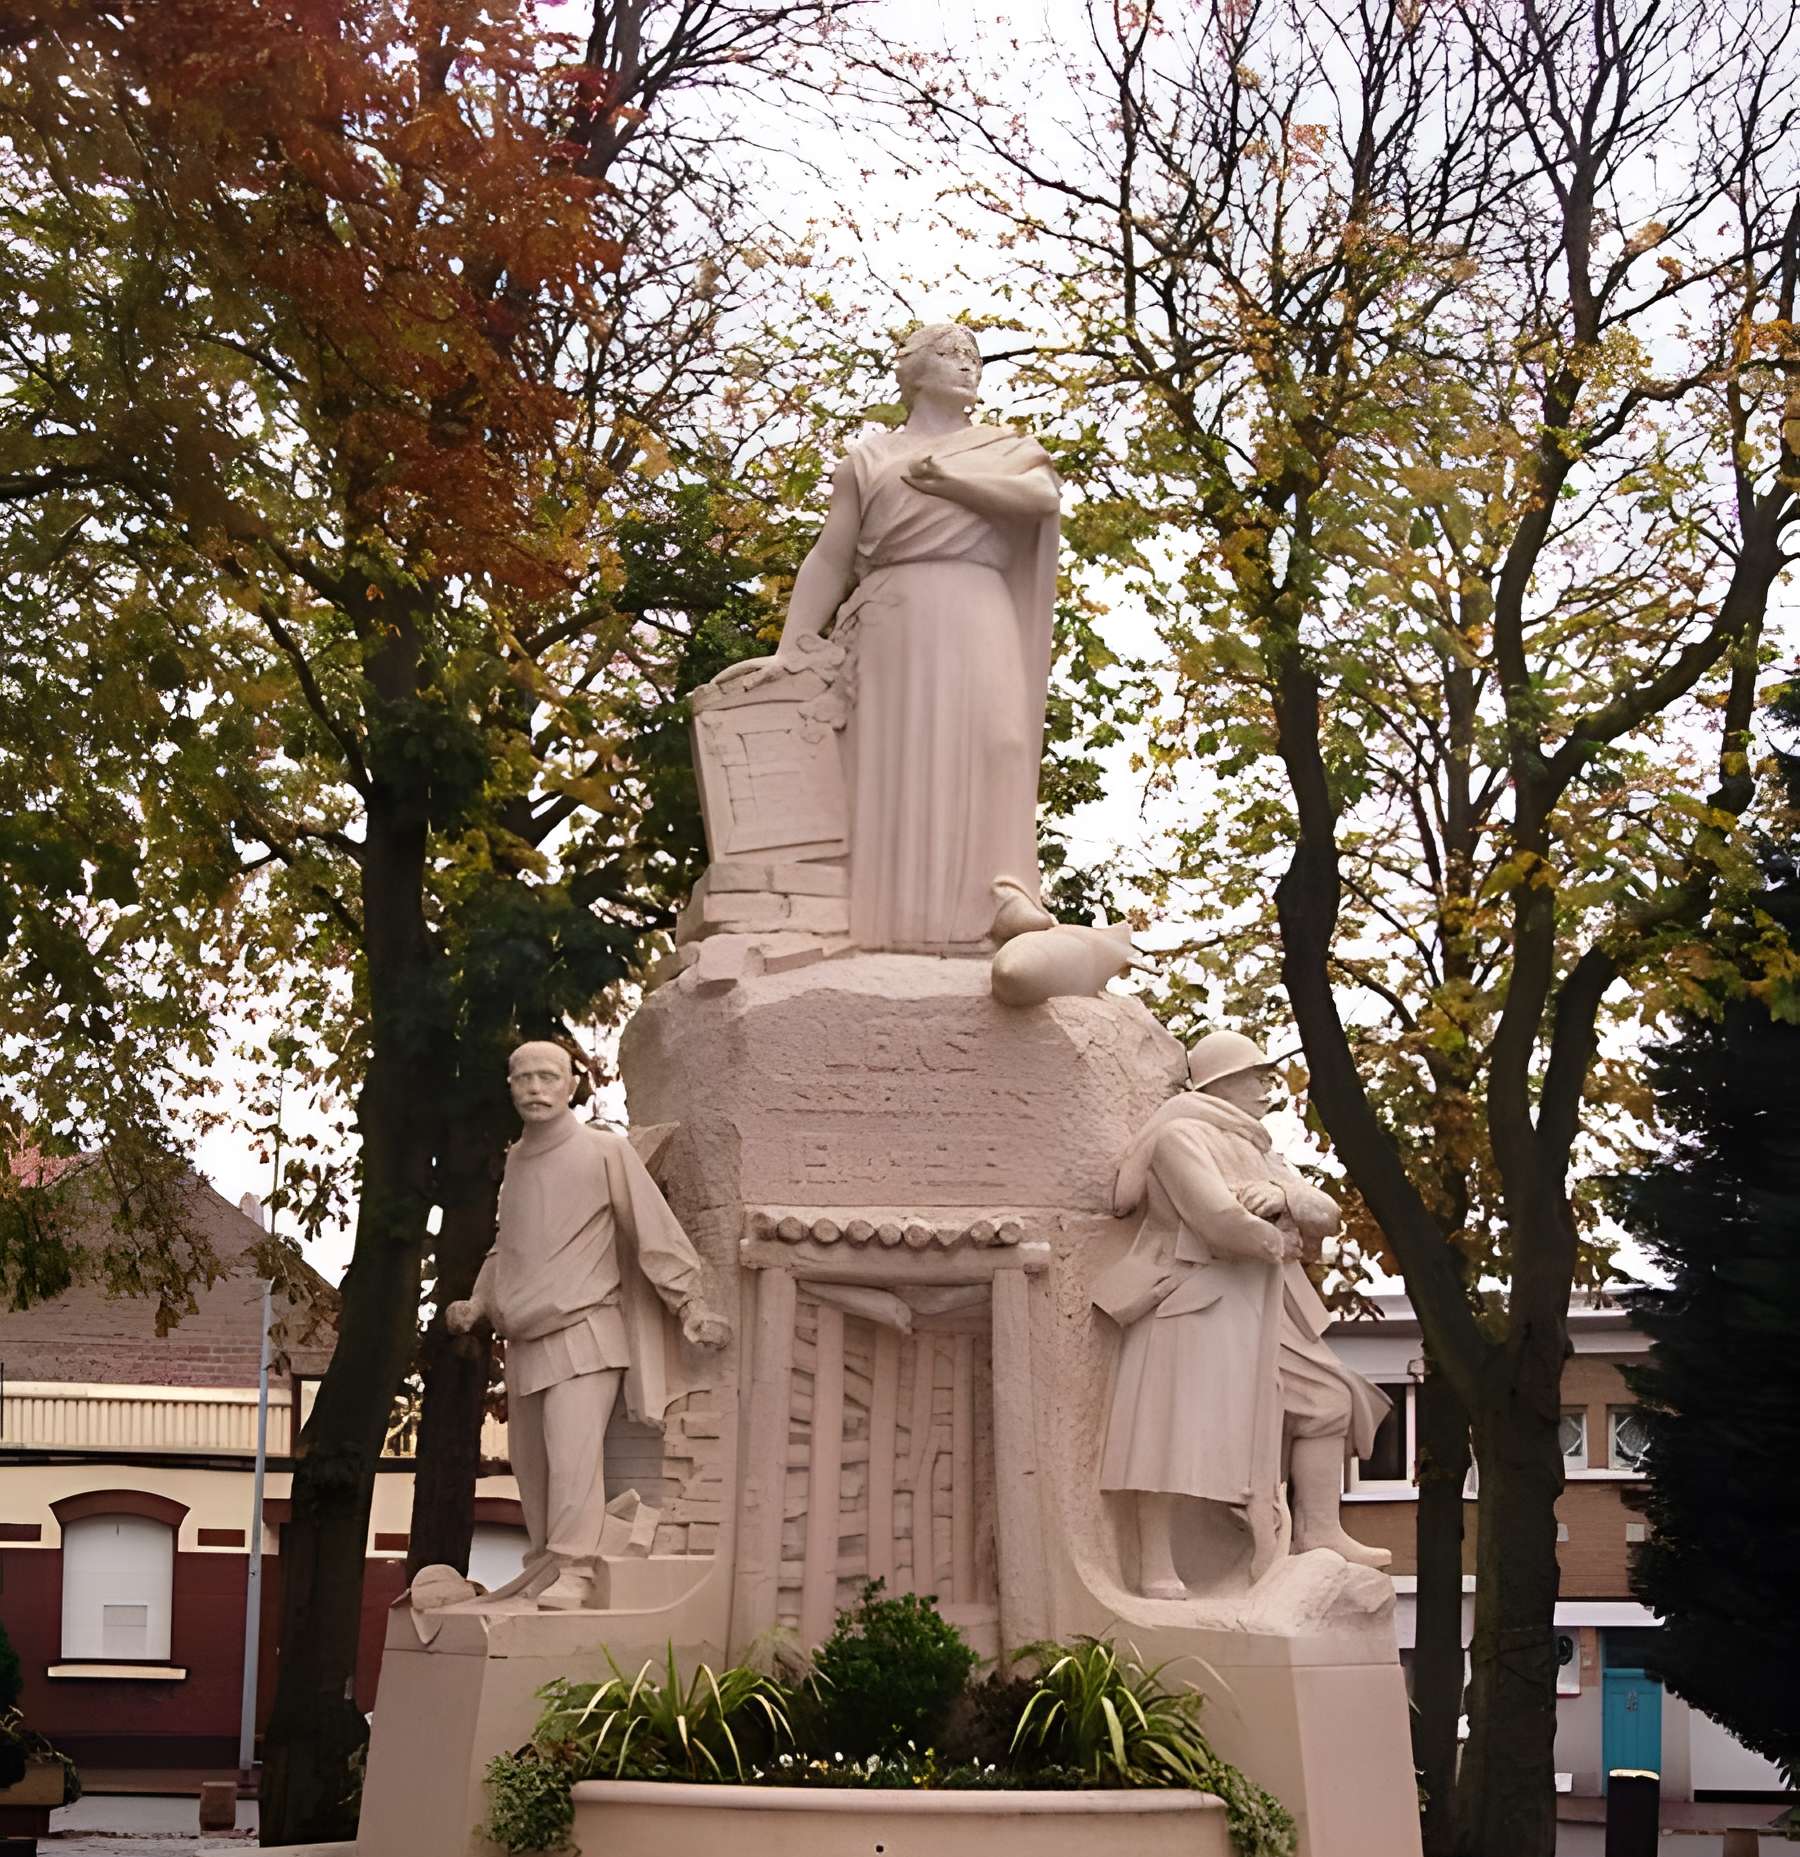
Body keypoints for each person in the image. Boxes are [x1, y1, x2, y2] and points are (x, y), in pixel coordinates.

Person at [772, 320, 1062, 952]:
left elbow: (1039, 499)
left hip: (978, 602)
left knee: (1003, 740)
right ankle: (897, 921)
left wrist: (954, 484)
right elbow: (830, 556)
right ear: (912, 370)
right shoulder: (869, 458)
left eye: (974, 356)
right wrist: (794, 640)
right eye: (951, 353)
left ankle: (1002, 891)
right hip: (897, 615)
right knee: (897, 756)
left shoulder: (1007, 448)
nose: (968, 365)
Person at [1095, 1031, 1391, 1598]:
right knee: (1166, 1431)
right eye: (1254, 1075)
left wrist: (1285, 1202)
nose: (1265, 1086)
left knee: (1328, 1399)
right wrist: (1275, 1234)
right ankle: (1156, 1563)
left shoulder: (1258, 1149)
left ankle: (1319, 1532)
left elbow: (1323, 1213)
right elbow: (1217, 1218)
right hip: (1188, 1302)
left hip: (1258, 1308)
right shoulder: (1180, 1135)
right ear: (1220, 1082)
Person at [446, 1042, 726, 1607]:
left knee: (572, 1455)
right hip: (524, 1341)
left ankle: (576, 1570)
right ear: (509, 1086)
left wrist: (690, 1303)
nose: (534, 1088)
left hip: (586, 1332)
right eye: (522, 1078)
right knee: (533, 1468)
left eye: (547, 1077)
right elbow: (508, 1248)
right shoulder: (517, 1163)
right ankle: (548, 1564)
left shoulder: (604, 1152)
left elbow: (653, 1230)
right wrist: (477, 1302)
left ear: (572, 1083)